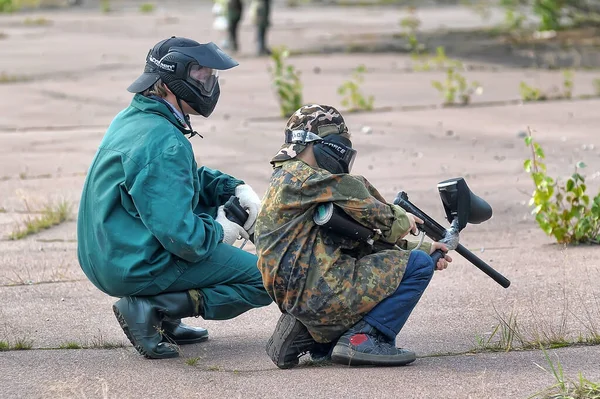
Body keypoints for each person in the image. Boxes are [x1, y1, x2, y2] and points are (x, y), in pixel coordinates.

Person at [76, 36, 273, 359]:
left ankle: (166, 316)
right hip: (132, 264)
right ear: (170, 83)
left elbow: (179, 183)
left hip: (111, 252)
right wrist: (223, 229)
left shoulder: (137, 118)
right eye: (201, 76)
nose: (209, 84)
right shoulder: (164, 143)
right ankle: (152, 307)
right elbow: (186, 240)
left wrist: (233, 188)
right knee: (266, 279)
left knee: (201, 204)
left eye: (211, 76)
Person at [254, 104, 453, 368]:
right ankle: (362, 340)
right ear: (326, 143)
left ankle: (317, 338)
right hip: (319, 291)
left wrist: (418, 246)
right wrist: (403, 221)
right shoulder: (312, 179)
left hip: (294, 295)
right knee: (418, 266)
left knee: (396, 257)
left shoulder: (286, 177)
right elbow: (375, 214)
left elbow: (357, 235)